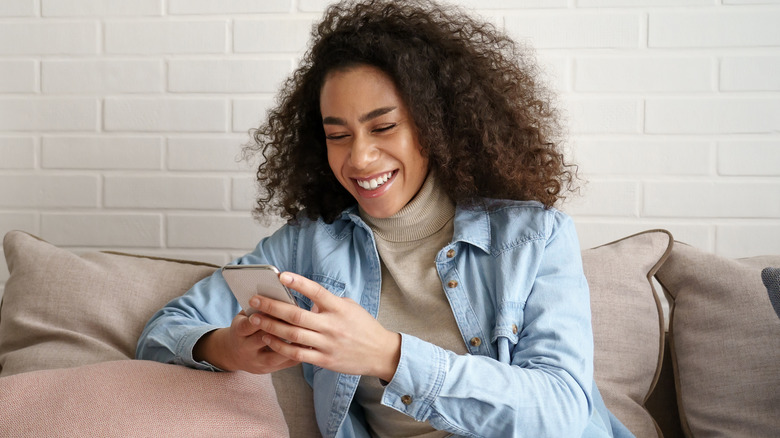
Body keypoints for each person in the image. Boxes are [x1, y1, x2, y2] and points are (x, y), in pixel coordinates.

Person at [137, 0, 634, 437]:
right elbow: (164, 331)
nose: (360, 159)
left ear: (434, 124)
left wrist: (388, 355)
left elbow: (562, 410)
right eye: (338, 135)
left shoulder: (533, 236)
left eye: (383, 127)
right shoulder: (306, 247)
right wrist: (227, 349)